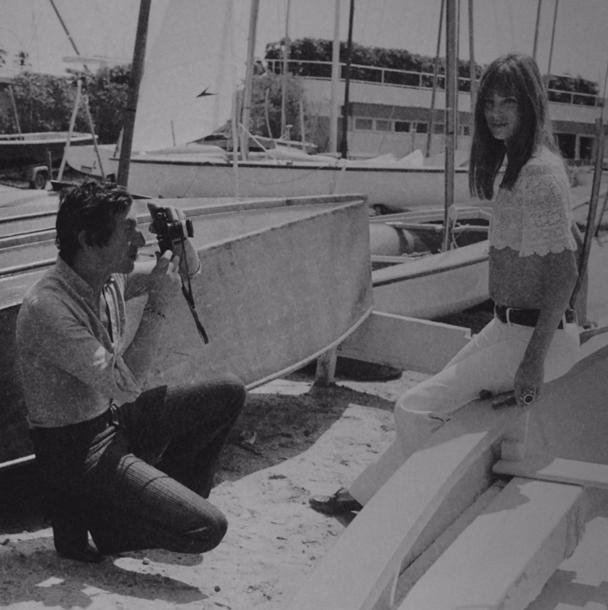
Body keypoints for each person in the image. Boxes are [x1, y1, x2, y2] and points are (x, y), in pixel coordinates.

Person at [310, 53, 581, 515]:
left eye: (509, 102)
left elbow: (565, 272)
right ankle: (364, 494)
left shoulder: (539, 173)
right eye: (489, 102)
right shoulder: (522, 165)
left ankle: (414, 505)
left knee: (414, 407)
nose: (496, 113)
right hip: (509, 326)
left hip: (535, 336)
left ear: (531, 104)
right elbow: (572, 243)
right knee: (436, 398)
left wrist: (534, 363)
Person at [16, 181, 246, 561]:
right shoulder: (48, 307)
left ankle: (144, 503)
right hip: (77, 450)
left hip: (112, 418)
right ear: (88, 240)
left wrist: (179, 241)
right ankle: (110, 527)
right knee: (208, 528)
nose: (139, 240)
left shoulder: (107, 276)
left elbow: (187, 271)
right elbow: (126, 386)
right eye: (128, 230)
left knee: (229, 391)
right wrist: (157, 307)